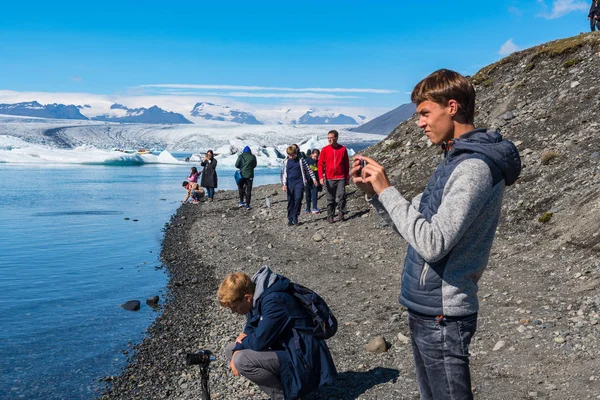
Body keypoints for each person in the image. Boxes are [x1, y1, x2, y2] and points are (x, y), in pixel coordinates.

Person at [351, 69, 521, 400]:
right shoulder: (452, 159)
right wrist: (374, 194)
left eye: (425, 113)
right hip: (429, 307)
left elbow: (432, 243)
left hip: (444, 312)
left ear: (452, 107)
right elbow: (413, 225)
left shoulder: (472, 168)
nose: (419, 123)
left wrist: (387, 190)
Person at [218, 266, 337, 400]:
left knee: (241, 360)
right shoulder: (257, 296)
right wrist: (238, 347)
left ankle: (282, 397)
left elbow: (259, 342)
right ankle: (287, 390)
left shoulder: (274, 301)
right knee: (231, 349)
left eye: (234, 307)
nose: (234, 312)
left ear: (247, 298)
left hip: (303, 356)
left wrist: (241, 345)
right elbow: (250, 328)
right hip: (286, 348)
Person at [318, 130, 349, 224]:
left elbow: (346, 164)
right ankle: (330, 216)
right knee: (330, 198)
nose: (329, 140)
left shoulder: (343, 149)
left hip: (341, 177)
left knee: (342, 195)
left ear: (336, 138)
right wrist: (321, 177)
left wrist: (347, 177)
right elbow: (320, 164)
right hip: (329, 177)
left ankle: (341, 212)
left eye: (331, 138)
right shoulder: (325, 150)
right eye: (328, 138)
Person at [281, 146, 318, 226]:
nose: (291, 157)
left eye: (292, 155)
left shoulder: (301, 160)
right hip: (289, 183)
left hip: (299, 183)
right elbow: (283, 173)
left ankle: (295, 217)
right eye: (289, 155)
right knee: (290, 200)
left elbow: (308, 169)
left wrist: (314, 179)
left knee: (298, 199)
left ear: (295, 153)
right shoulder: (286, 161)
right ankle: (290, 218)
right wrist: (284, 184)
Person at [304, 149, 321, 214]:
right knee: (308, 194)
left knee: (314, 194)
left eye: (317, 157)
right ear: (311, 155)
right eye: (314, 156)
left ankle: (314, 207)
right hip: (308, 180)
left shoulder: (319, 162)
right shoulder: (307, 161)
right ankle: (307, 208)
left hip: (316, 181)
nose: (315, 158)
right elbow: (303, 170)